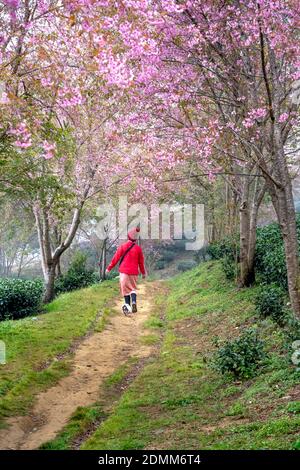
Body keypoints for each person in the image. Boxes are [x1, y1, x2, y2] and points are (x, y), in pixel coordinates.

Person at [105, 226, 146, 315]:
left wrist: (109, 268)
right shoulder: (138, 249)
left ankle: (127, 307)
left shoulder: (123, 246)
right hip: (134, 272)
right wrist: (143, 273)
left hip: (124, 272)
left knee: (125, 290)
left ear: (128, 237)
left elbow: (115, 258)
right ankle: (134, 302)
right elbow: (141, 262)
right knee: (132, 288)